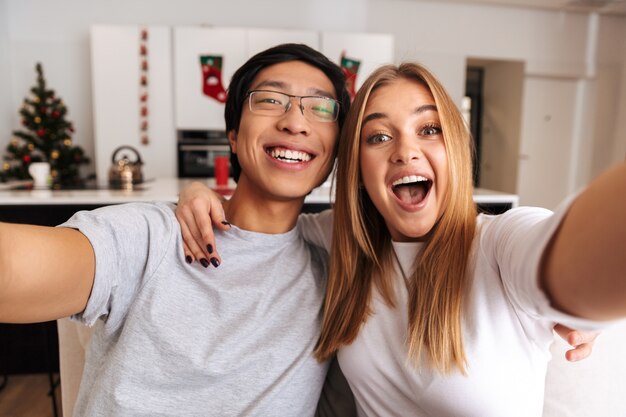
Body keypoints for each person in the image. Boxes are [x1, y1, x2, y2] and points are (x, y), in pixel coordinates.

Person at [175, 63, 623, 416]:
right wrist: (198, 193)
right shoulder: (342, 240)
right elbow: (256, 223)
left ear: (457, 150)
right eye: (379, 136)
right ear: (358, 169)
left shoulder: (499, 244)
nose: (405, 151)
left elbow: (566, 255)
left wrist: (583, 297)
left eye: (429, 130)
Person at [0, 43, 354, 416]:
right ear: (233, 134)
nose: (295, 122)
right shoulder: (153, 235)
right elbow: (12, 267)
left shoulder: (336, 251)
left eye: (320, 108)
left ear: (335, 149)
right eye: (269, 100)